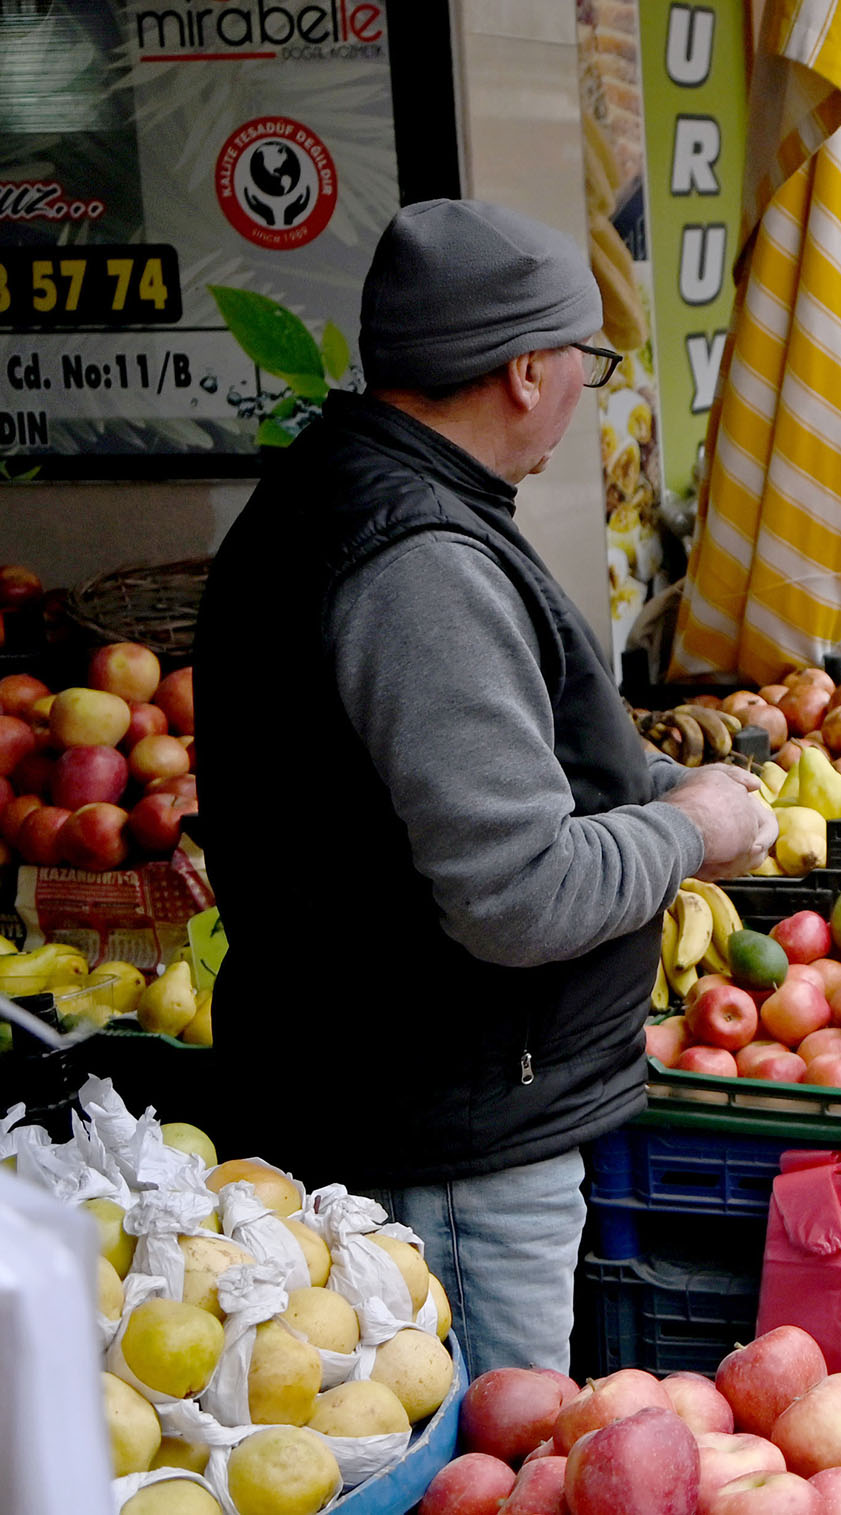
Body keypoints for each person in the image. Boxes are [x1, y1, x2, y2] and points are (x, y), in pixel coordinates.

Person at [194, 200, 777, 1376]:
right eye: (588, 362)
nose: (586, 389)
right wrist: (688, 828)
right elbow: (515, 893)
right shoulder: (417, 560)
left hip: (402, 1098)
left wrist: (648, 782)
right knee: (490, 1464)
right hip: (444, 1137)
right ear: (525, 369)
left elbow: (466, 780)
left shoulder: (352, 499)